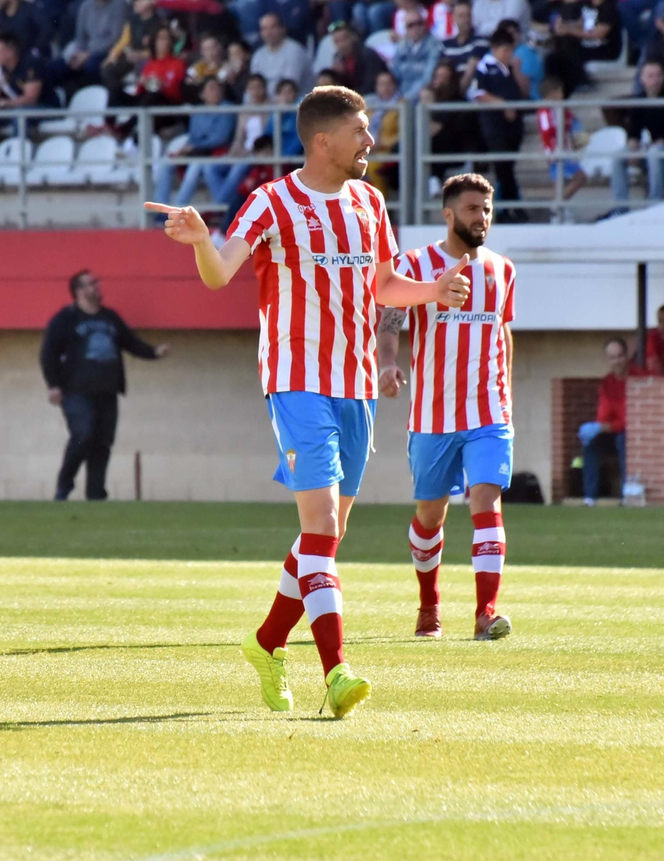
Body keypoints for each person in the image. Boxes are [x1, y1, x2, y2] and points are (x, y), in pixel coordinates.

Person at [156, 85, 473, 718]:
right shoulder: (272, 202)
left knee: (323, 539)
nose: (370, 142)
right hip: (296, 381)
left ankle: (267, 642)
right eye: (361, 131)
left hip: (355, 386)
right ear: (323, 139)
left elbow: (383, 285)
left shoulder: (368, 200)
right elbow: (221, 273)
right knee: (322, 528)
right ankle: (337, 672)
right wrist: (198, 241)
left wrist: (432, 291)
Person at [374, 173, 516, 639]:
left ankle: (485, 613)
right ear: (449, 214)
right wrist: (389, 365)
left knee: (485, 500)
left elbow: (503, 332)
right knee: (429, 517)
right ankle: (428, 606)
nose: (483, 218)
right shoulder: (416, 264)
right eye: (474, 209)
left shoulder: (502, 269)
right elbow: (390, 320)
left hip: (489, 413)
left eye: (488, 209)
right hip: (433, 416)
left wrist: (507, 396)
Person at [38, 269, 168, 503]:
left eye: (97, 283)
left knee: (103, 443)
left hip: (108, 391)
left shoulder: (110, 318)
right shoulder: (65, 319)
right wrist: (53, 385)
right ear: (78, 291)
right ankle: (64, 486)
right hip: (76, 392)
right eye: (90, 284)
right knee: (82, 434)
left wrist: (154, 353)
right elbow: (48, 354)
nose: (96, 287)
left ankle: (96, 494)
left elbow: (130, 342)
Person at [466, 29, 531, 206]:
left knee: (508, 167)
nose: (508, 54)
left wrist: (517, 70)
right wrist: (502, 104)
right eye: (505, 50)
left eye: (510, 50)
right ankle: (509, 207)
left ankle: (508, 205)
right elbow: (476, 93)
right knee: (503, 167)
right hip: (495, 125)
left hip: (514, 125)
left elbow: (524, 92)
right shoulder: (485, 66)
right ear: (495, 49)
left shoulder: (512, 67)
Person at [614, 59, 664, 204]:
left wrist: (650, 146)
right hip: (651, 145)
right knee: (617, 156)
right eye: (650, 76)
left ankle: (654, 202)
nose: (655, 80)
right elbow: (634, 132)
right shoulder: (638, 101)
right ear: (642, 78)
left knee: (654, 152)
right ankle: (620, 207)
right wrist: (633, 148)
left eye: (658, 75)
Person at [577, 338, 629, 506]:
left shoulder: (636, 378)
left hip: (631, 435)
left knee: (623, 440)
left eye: (620, 356)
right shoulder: (607, 382)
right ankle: (589, 498)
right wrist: (599, 427)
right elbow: (603, 417)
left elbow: (629, 419)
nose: (617, 362)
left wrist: (606, 426)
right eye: (612, 357)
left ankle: (626, 495)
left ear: (627, 356)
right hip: (612, 432)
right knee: (590, 442)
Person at [537, 75, 587, 198]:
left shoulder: (560, 109)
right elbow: (547, 131)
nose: (562, 94)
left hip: (564, 150)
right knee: (578, 177)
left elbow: (570, 124)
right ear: (552, 93)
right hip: (557, 152)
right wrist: (553, 150)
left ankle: (560, 210)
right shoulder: (545, 111)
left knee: (564, 181)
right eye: (559, 91)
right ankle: (557, 207)